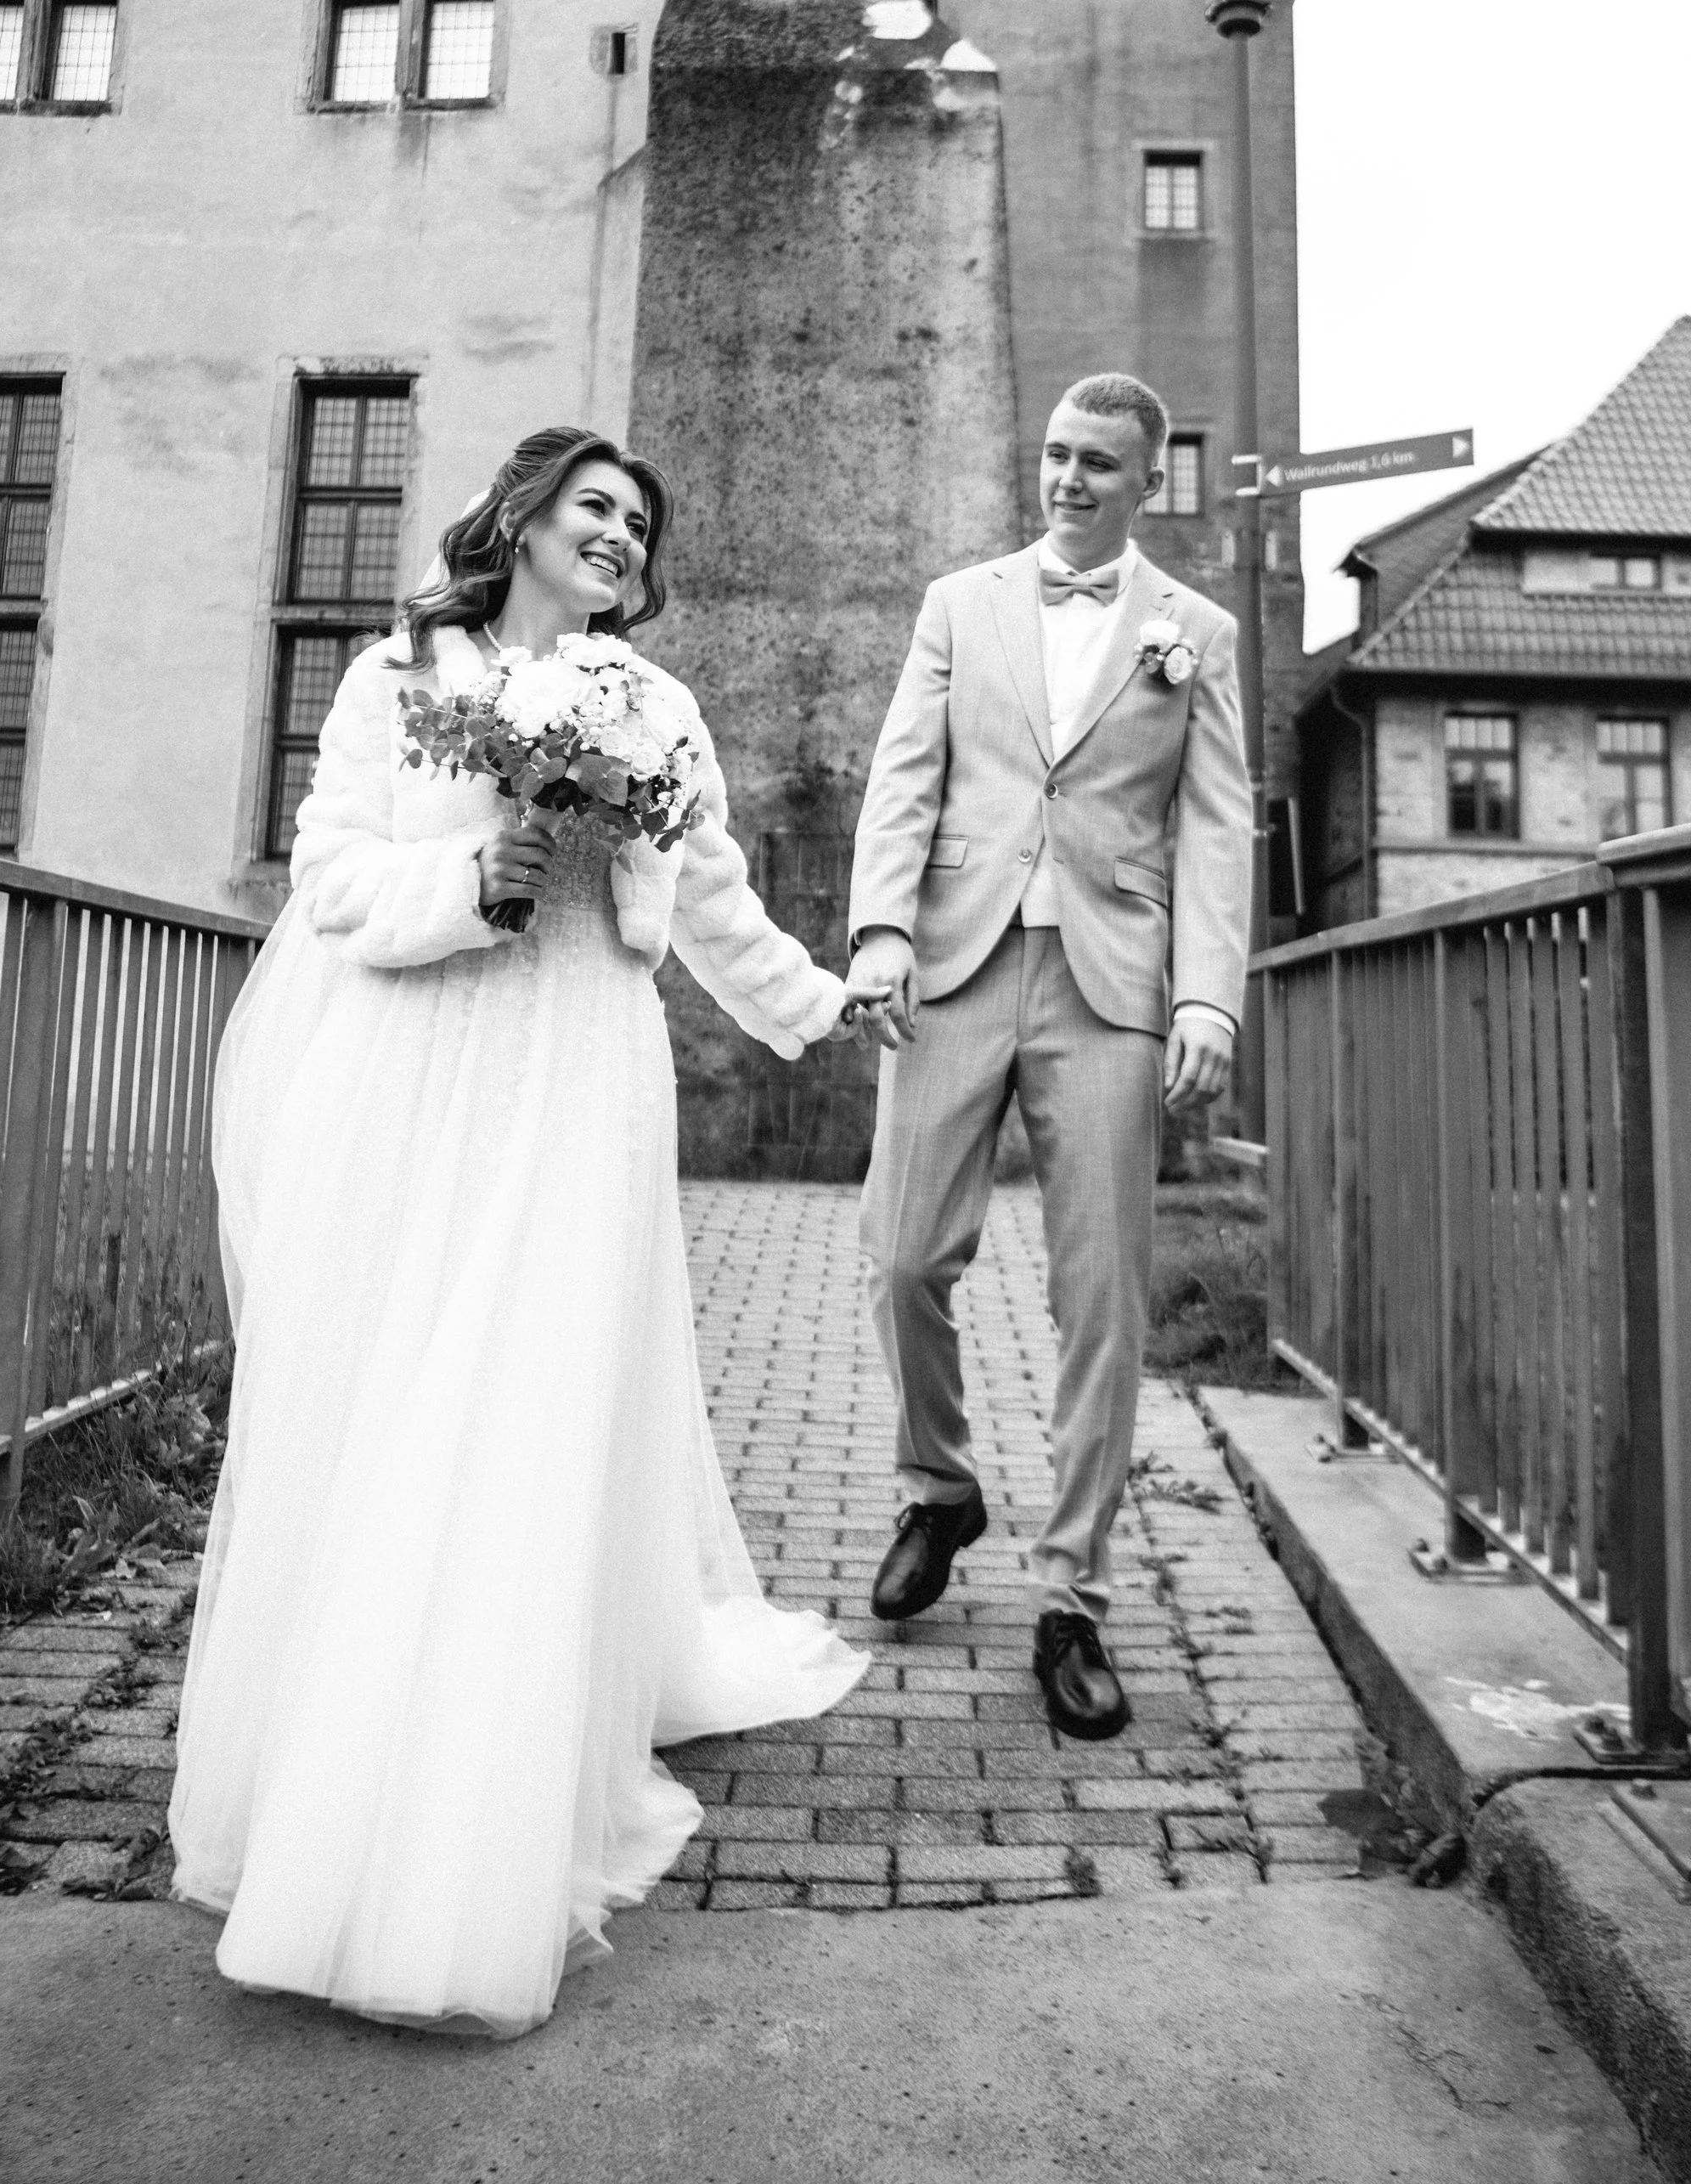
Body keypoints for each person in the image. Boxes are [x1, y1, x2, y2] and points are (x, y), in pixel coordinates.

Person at [169, 426, 865, 2035]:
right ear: (527, 518)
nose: (620, 534)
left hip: (580, 1082)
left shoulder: (659, 709)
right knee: (403, 1401)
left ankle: (493, 1785)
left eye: (641, 520)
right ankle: (347, 1778)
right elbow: (331, 873)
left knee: (535, 1409)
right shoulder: (397, 674)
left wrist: (823, 1005)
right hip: (423, 1070)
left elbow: (712, 899)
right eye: (596, 507)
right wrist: (475, 873)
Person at [842, 374, 1250, 1741]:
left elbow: (1215, 827)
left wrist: (1209, 996)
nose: (1069, 479)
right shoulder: (961, 603)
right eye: (1058, 455)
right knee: (903, 1252)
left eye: (1100, 464)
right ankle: (939, 1486)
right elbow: (908, 773)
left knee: (1104, 1299)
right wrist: (880, 929)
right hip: (952, 962)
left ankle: (1072, 1593)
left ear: (1150, 477)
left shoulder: (1199, 632)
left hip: (1113, 987)